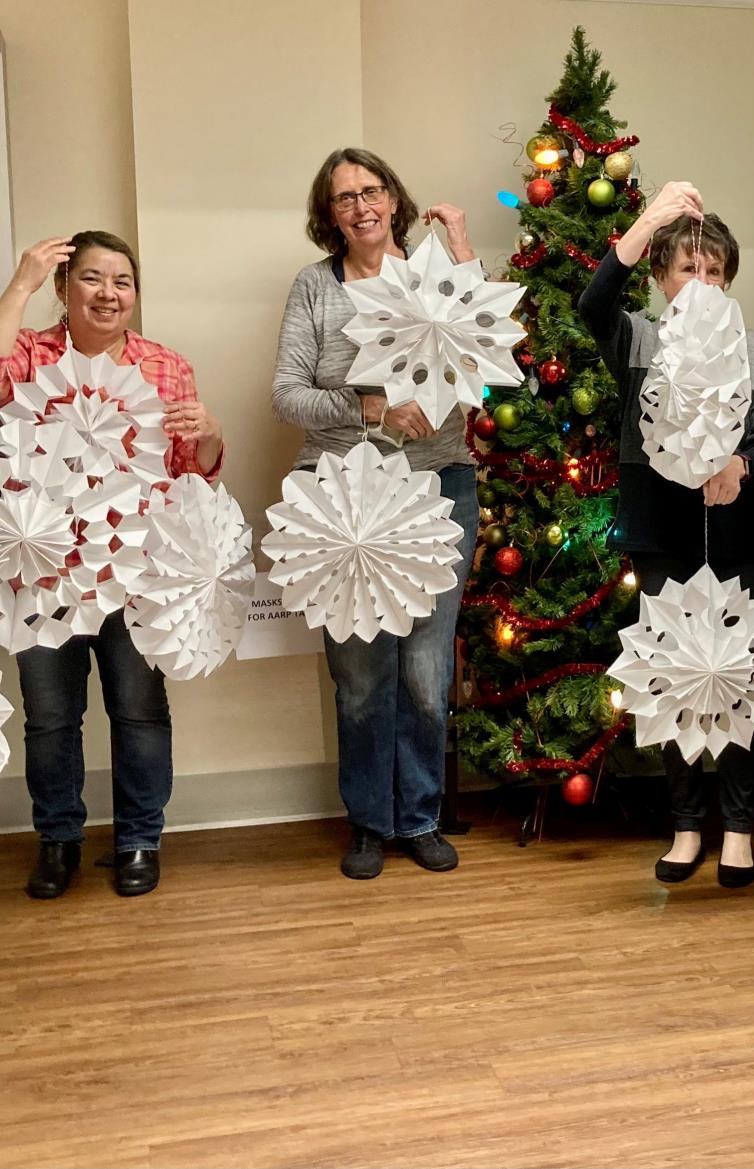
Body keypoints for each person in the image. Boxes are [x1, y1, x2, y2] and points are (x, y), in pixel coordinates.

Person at [0, 230, 224, 900]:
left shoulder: (165, 365)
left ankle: (139, 836)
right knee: (49, 713)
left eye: (123, 281)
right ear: (64, 289)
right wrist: (21, 280)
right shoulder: (32, 353)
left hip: (138, 568)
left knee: (138, 706)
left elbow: (189, 473)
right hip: (43, 563)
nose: (110, 294)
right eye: (94, 279)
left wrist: (213, 438)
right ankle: (58, 839)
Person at [272, 147, 479, 880]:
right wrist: (373, 408)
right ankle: (368, 820)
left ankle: (417, 816)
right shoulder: (314, 288)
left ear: (394, 198)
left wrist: (461, 251)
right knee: (361, 675)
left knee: (424, 672)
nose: (360, 206)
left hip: (439, 489)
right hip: (343, 499)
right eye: (343, 198)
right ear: (328, 216)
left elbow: (482, 356)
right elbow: (288, 394)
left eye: (371, 190)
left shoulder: (436, 275)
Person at [578, 181, 754, 888]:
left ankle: (738, 826)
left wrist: (740, 465)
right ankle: (686, 822)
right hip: (663, 537)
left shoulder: (753, 348)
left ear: (728, 280)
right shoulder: (639, 337)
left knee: (741, 680)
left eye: (714, 271)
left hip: (740, 539)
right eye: (686, 269)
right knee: (674, 678)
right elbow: (592, 303)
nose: (701, 282)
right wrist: (652, 219)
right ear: (661, 278)